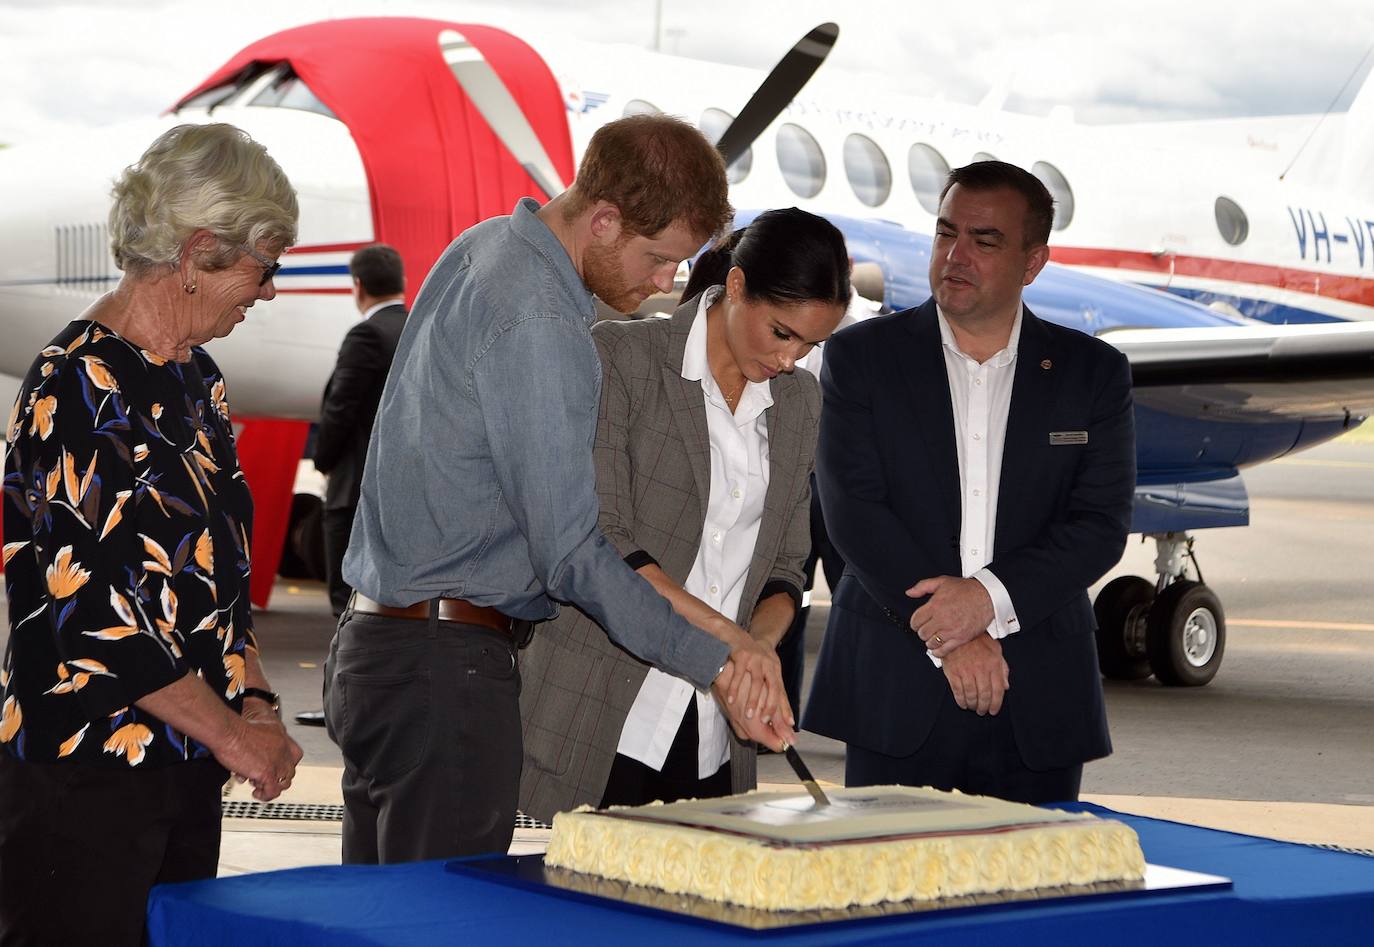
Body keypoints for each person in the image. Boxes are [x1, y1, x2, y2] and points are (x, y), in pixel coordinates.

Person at [324, 114, 794, 865]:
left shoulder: (480, 246)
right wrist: (717, 663)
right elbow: (573, 552)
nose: (664, 283)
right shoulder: (542, 319)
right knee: (445, 924)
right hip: (445, 668)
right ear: (603, 219)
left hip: (380, 647)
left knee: (385, 915)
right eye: (658, 257)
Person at [0, 122, 304, 945]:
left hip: (184, 767)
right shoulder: (75, 383)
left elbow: (217, 583)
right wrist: (235, 734)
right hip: (88, 780)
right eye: (263, 265)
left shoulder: (197, 381)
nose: (268, 290)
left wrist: (258, 697)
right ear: (199, 250)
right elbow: (95, 615)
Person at [804, 160, 1136, 804]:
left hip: (1036, 697)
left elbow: (1098, 526)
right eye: (945, 232)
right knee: (890, 895)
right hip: (895, 689)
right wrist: (951, 635)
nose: (956, 255)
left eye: (984, 241)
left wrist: (984, 602)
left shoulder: (1091, 373)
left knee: (1030, 896)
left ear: (1033, 261)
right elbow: (855, 514)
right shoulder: (860, 359)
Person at [519, 208, 849, 822]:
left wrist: (759, 652)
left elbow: (787, 565)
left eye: (811, 345)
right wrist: (735, 649)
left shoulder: (800, 401)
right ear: (739, 286)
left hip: (714, 736)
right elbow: (605, 541)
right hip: (603, 707)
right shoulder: (621, 358)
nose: (791, 360)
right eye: (782, 333)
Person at [312, 245, 408, 619]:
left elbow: (341, 409)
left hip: (355, 487)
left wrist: (323, 460)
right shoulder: (420, 327)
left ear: (358, 285)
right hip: (402, 488)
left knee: (348, 603)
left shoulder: (367, 335)